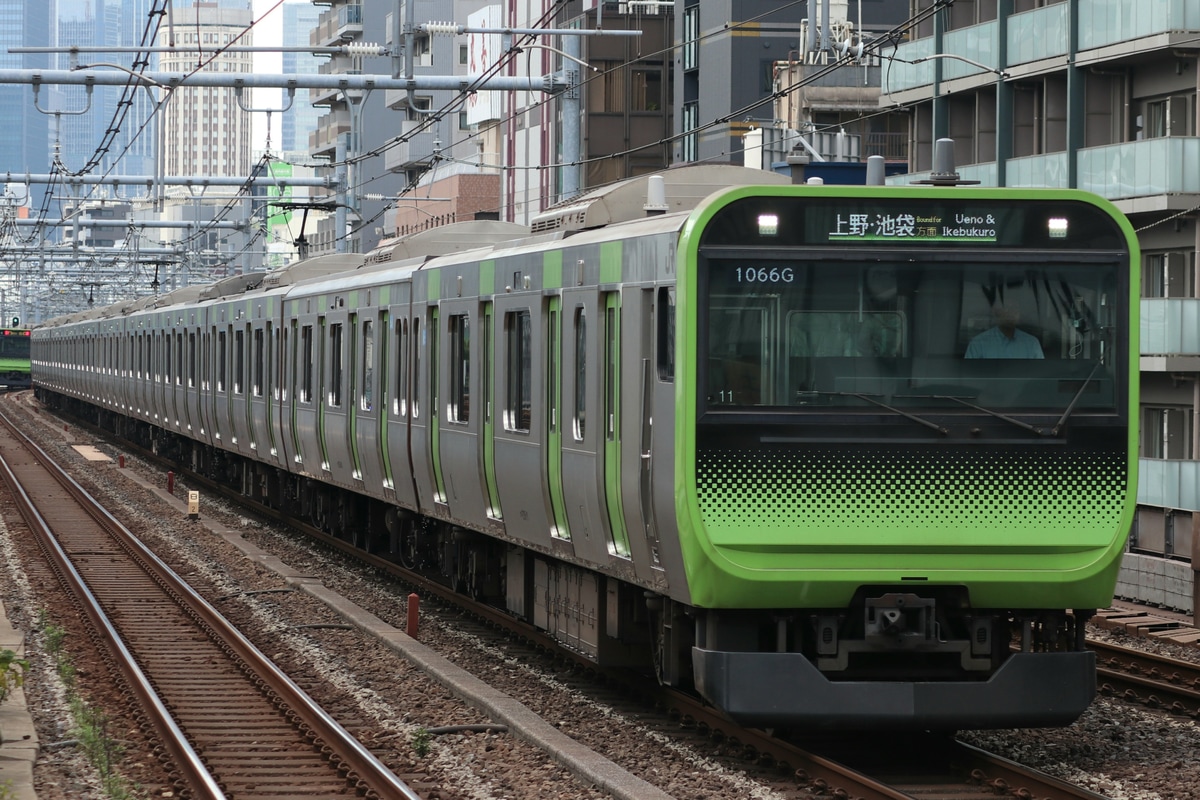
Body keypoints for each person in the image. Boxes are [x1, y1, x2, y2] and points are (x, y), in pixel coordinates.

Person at [965, 305, 1044, 359]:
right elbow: (968, 375)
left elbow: (1041, 376)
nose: (1011, 313)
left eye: (1015, 309)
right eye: (1007, 309)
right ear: (997, 312)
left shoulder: (1032, 343)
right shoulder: (978, 343)